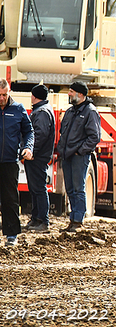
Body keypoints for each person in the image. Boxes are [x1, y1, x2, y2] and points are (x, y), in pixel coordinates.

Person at [57, 81, 101, 233]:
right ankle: (72, 220)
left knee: (78, 188)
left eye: (71, 91)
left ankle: (78, 221)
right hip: (68, 156)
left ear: (80, 94)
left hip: (79, 157)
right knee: (70, 188)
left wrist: (80, 151)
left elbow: (94, 137)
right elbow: (63, 132)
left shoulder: (90, 112)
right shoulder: (70, 111)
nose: (69, 94)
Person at [0, 78, 34, 246]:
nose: (1, 98)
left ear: (9, 92)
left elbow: (29, 132)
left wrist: (28, 148)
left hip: (9, 161)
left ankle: (11, 235)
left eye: (4, 95)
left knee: (10, 199)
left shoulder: (18, 109)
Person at [24, 84, 55, 233]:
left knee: (39, 189)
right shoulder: (43, 110)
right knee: (35, 188)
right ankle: (36, 218)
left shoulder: (41, 112)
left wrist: (30, 151)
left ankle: (43, 220)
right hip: (37, 156)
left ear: (34, 96)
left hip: (37, 157)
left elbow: (39, 135)